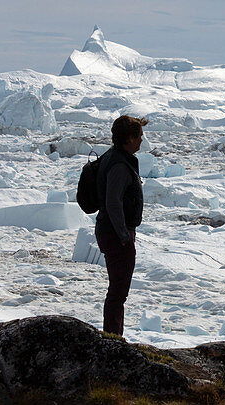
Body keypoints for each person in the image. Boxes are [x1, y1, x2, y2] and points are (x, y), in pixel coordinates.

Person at [95, 114, 147, 336]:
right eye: (139, 136)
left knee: (118, 291)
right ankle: (112, 339)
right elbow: (113, 202)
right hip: (116, 234)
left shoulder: (114, 158)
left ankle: (113, 337)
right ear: (129, 138)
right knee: (118, 292)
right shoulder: (119, 165)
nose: (142, 141)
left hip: (111, 230)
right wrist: (124, 235)